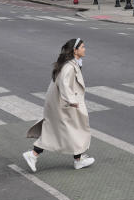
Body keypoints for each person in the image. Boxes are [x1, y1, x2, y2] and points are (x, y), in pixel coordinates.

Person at [23, 38, 94, 171]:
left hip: (61, 104)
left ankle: (78, 160)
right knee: (65, 132)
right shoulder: (69, 67)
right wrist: (72, 101)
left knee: (71, 132)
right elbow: (64, 84)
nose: (85, 49)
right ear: (75, 50)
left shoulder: (72, 64)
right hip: (64, 105)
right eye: (83, 47)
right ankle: (32, 154)